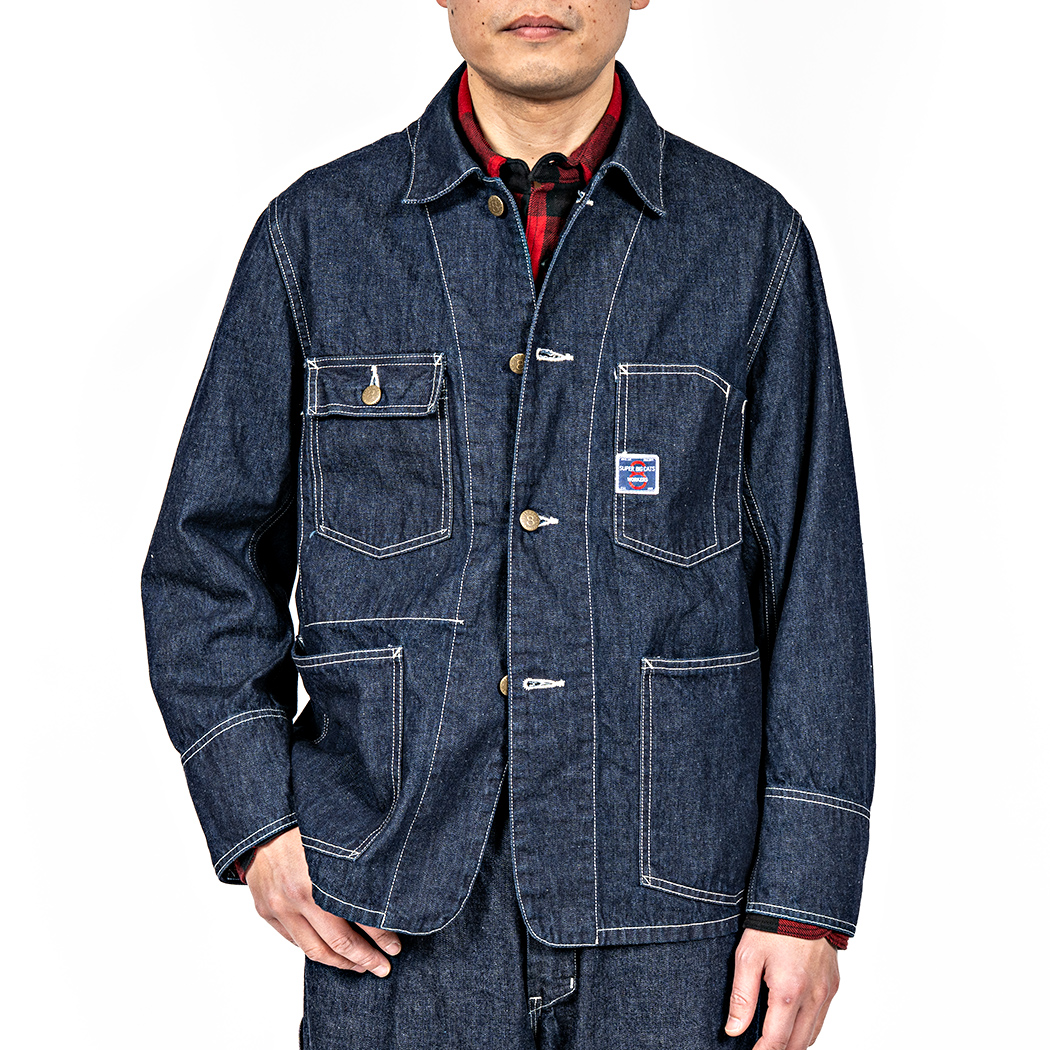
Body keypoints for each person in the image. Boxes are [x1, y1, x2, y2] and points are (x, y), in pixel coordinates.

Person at [142, 2, 875, 1047]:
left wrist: (804, 899)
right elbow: (204, 558)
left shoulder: (750, 243)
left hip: (679, 925)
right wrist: (257, 820)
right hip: (396, 909)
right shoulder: (317, 236)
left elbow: (815, 581)